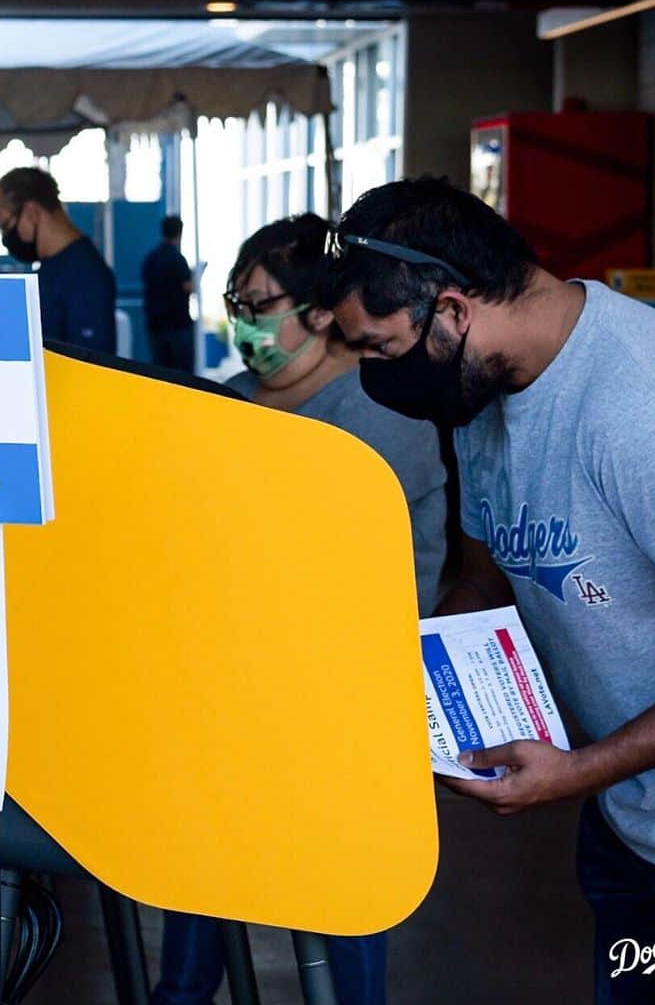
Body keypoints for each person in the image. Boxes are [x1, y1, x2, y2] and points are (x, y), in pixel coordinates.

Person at [325, 176, 655, 1004]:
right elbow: (483, 581)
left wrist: (581, 770)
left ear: (451, 309)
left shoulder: (650, 416)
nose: (370, 374)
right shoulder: (482, 390)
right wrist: (413, 702)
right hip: (629, 813)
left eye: (374, 346)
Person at [152, 213, 447, 1005]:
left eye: (257, 304)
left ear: (321, 312)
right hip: (229, 704)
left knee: (341, 915)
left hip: (338, 712)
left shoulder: (380, 419)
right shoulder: (230, 404)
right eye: (235, 304)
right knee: (196, 905)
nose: (243, 324)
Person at [0, 166, 116, 352]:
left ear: (32, 212)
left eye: (6, 226)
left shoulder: (83, 274)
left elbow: (90, 365)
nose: (7, 237)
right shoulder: (51, 270)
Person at [141, 215, 195, 373]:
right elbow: (187, 287)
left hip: (156, 325)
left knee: (160, 374)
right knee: (183, 376)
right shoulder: (178, 259)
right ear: (179, 233)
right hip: (177, 325)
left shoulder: (151, 259)